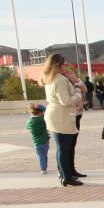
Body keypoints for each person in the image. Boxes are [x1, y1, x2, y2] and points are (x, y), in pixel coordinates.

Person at [40, 53, 85, 187]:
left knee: (62, 148)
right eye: (64, 64)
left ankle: (65, 175)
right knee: (64, 148)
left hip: (57, 116)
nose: (66, 66)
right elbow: (65, 101)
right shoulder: (59, 79)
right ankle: (67, 177)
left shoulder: (51, 78)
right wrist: (77, 93)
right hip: (61, 116)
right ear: (58, 65)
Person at [26, 103, 50, 175]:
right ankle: (45, 166)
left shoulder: (29, 122)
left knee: (41, 155)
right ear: (40, 112)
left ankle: (43, 169)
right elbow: (47, 110)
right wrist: (40, 106)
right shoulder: (42, 119)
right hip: (45, 140)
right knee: (45, 154)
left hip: (36, 142)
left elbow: (28, 128)